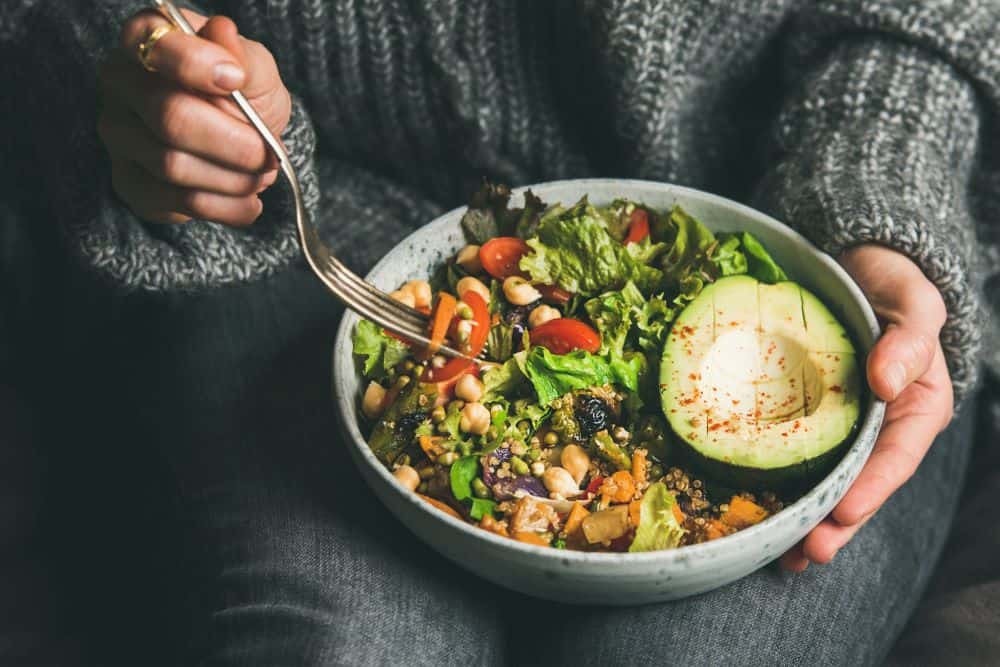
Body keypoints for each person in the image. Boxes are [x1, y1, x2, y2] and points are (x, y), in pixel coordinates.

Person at [0, 0, 996, 664]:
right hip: (288, 230)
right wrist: (128, 77)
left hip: (791, 226)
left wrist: (876, 188)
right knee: (346, 642)